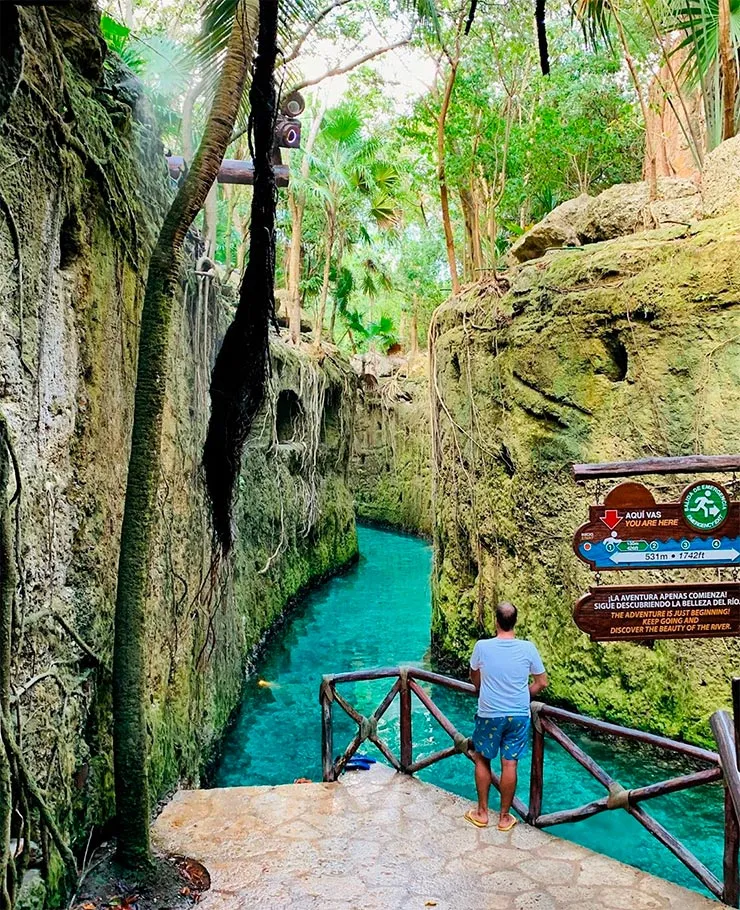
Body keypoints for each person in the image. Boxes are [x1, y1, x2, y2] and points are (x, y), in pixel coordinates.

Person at [464, 601, 548, 831]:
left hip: (489, 713)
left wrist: (483, 690)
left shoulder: (482, 646)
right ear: (515, 622)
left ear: (496, 621)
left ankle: (482, 813)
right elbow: (542, 682)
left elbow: (474, 676)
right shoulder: (528, 648)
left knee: (482, 759)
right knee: (509, 764)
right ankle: (504, 817)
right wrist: (522, 695)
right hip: (518, 715)